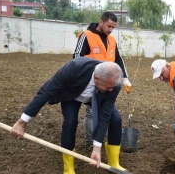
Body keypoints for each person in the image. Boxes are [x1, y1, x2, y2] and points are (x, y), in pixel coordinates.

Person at [10, 57, 125, 174]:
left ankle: (113, 163)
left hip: (97, 97)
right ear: (96, 78)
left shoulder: (113, 84)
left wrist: (97, 147)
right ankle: (68, 167)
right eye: (107, 87)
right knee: (70, 122)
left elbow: (104, 116)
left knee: (115, 119)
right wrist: (22, 122)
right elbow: (46, 92)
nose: (111, 90)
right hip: (72, 96)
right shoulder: (75, 67)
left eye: (112, 87)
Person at [73, 11, 131, 170]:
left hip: (108, 85)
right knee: (92, 114)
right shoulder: (86, 35)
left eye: (113, 27)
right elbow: (77, 57)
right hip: (91, 84)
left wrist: (124, 78)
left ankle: (113, 161)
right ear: (101, 22)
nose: (111, 30)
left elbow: (118, 59)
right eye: (109, 26)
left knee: (116, 119)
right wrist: (86, 79)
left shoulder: (112, 40)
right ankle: (89, 144)